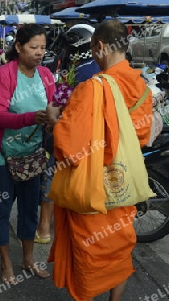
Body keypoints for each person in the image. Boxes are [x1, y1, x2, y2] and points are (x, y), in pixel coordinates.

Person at [46, 19, 153, 301]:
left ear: (101, 46)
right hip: (123, 183)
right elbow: (140, 137)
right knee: (119, 247)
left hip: (92, 188)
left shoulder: (92, 88)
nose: (92, 55)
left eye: (93, 49)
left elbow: (69, 146)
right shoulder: (142, 87)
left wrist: (56, 120)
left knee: (90, 252)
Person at [0, 24, 56, 284]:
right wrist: (29, 118)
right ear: (19, 47)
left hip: (33, 156)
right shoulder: (3, 76)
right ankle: (5, 264)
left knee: (29, 212)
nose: (39, 53)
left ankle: (28, 259)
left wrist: (52, 119)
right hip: (4, 157)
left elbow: (53, 105)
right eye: (34, 47)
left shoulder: (46, 75)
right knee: (3, 210)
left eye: (43, 48)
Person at [35, 24, 101, 244]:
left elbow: (63, 103)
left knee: (52, 175)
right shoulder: (97, 67)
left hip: (73, 136)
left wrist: (53, 120)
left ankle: (44, 228)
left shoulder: (78, 71)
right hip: (96, 136)